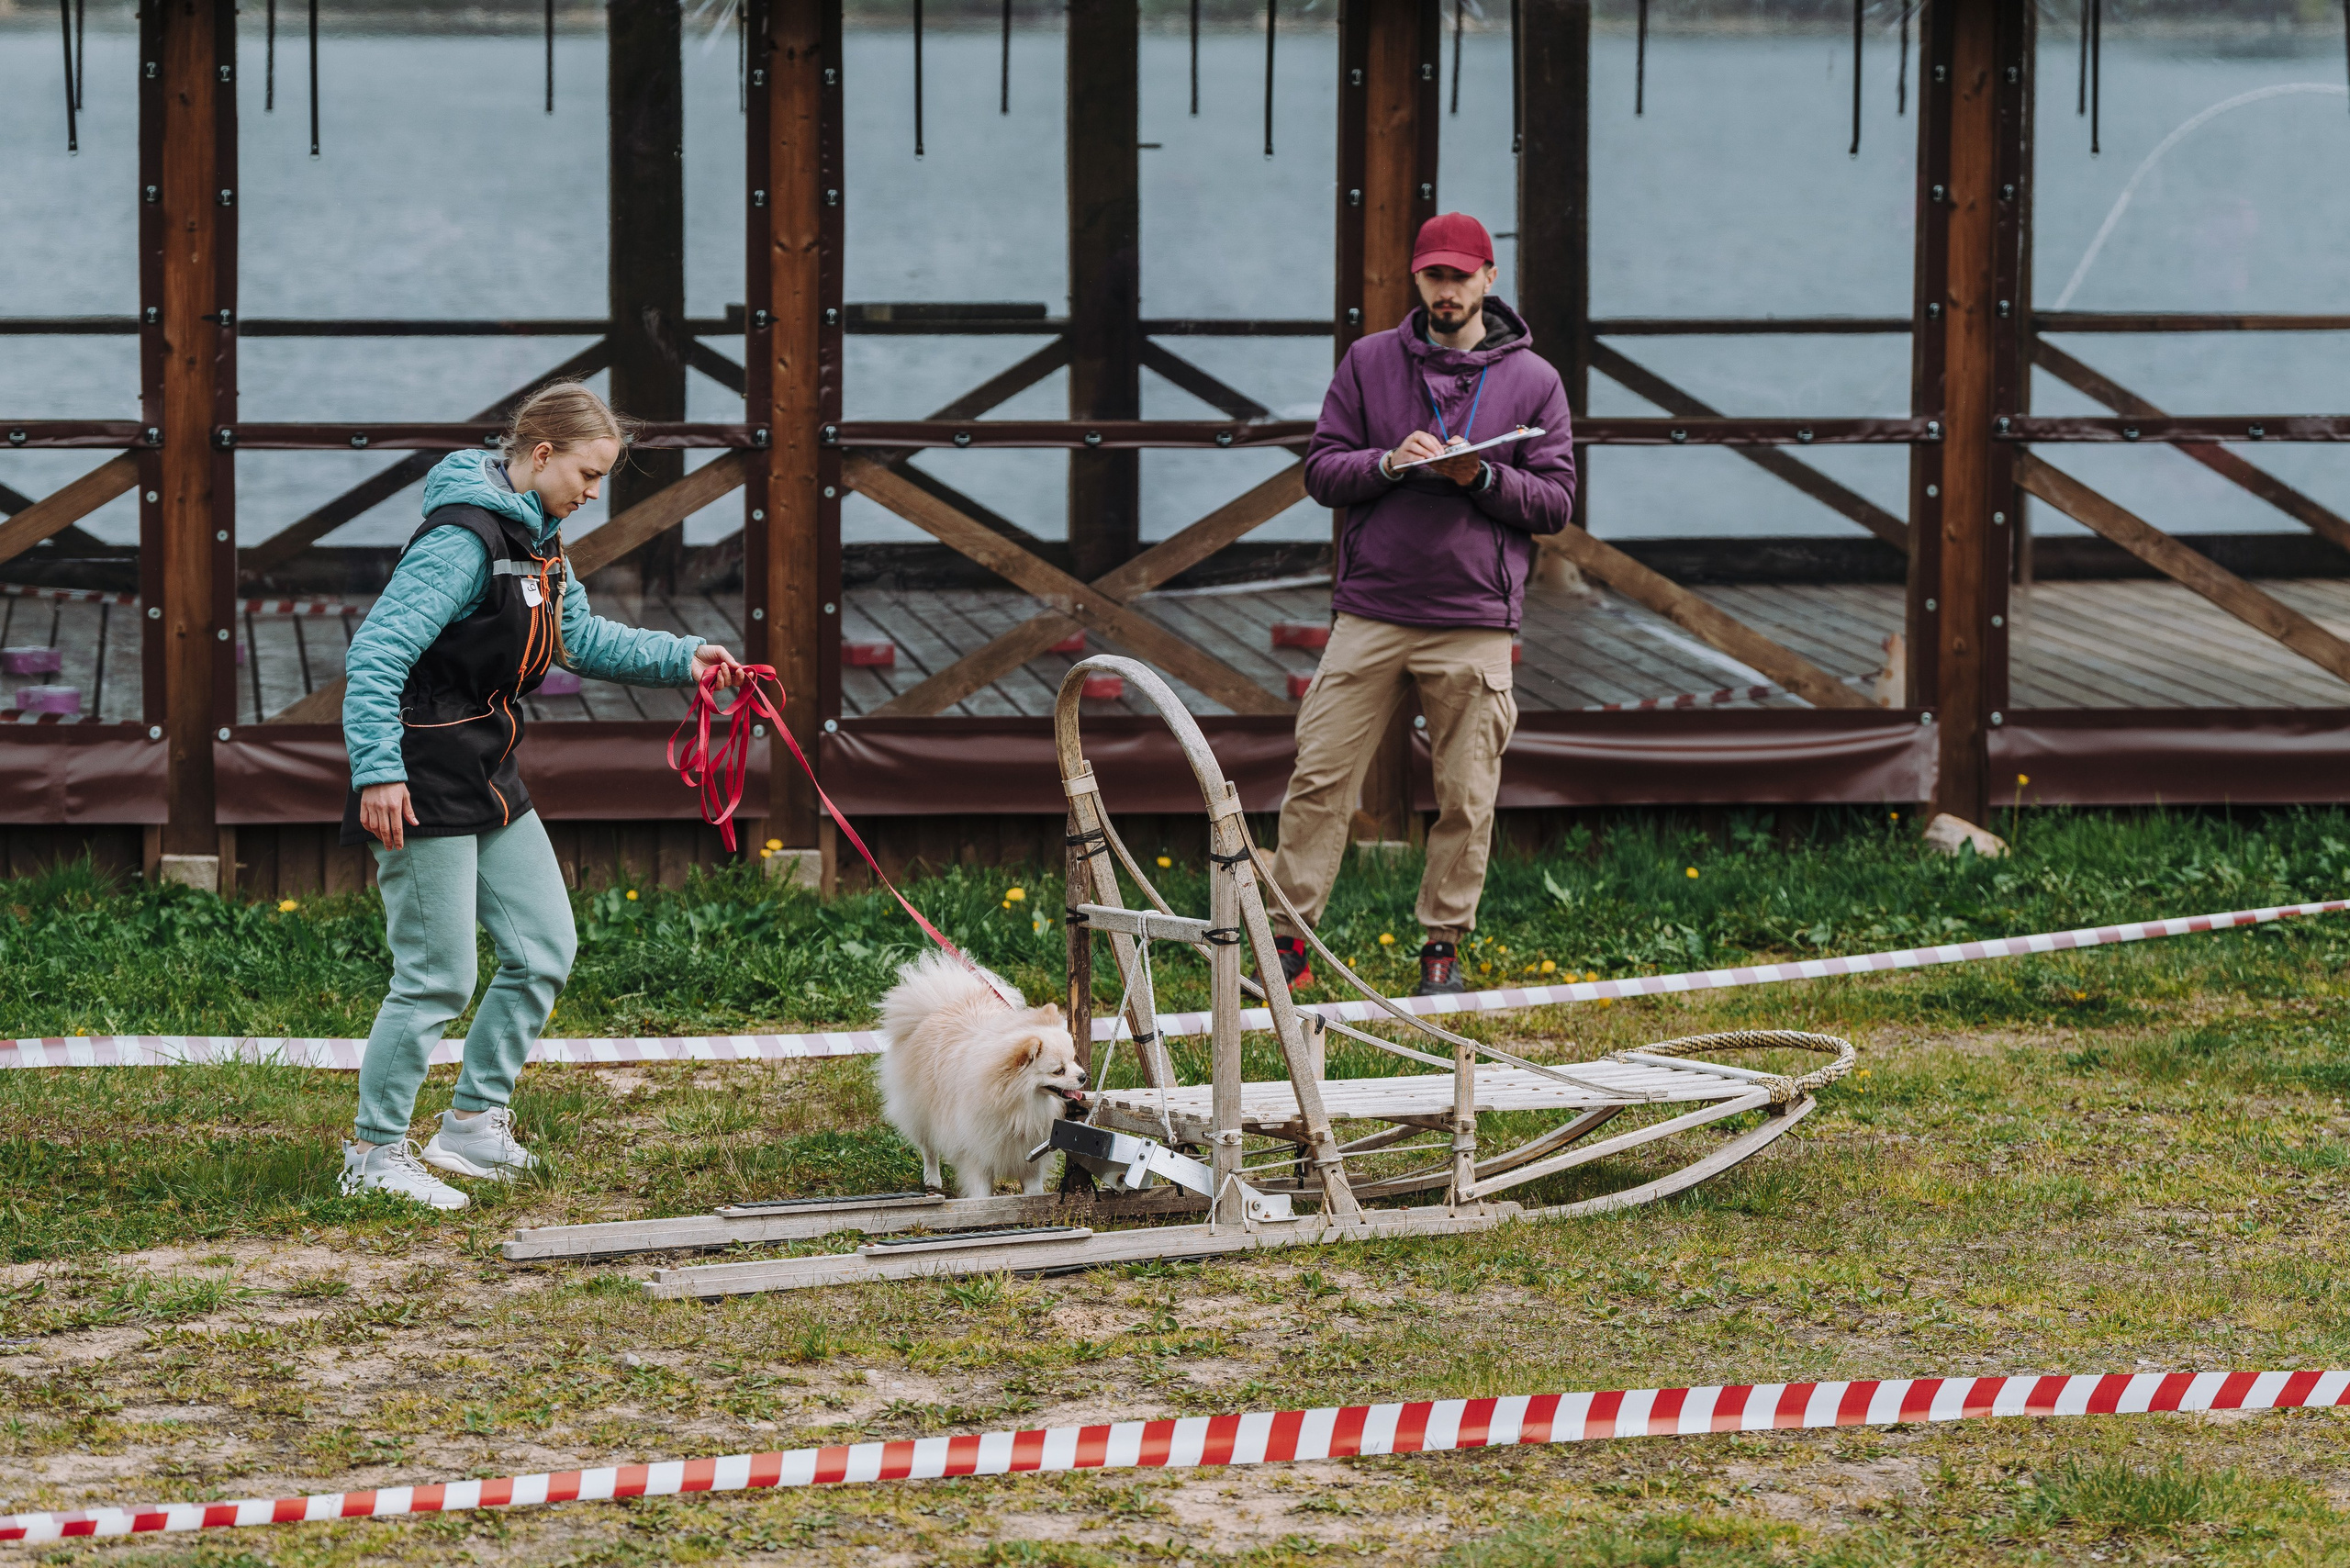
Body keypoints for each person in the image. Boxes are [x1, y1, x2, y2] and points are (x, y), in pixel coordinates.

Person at [336, 383, 746, 1210]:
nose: (594, 493)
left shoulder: (542, 539)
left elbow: (580, 637)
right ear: (543, 454)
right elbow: (375, 656)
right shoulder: (460, 540)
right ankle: (373, 1157)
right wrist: (377, 770)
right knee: (436, 980)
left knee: (543, 950)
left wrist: (686, 658)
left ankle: (472, 1126)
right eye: (589, 474)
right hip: (421, 779)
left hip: (491, 769)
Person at [1266, 212, 1577, 996]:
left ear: (1489, 279)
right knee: (1318, 778)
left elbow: (1557, 502)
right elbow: (1322, 471)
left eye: (1460, 277)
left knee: (1467, 797)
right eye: (1434, 276)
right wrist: (1386, 463)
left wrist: (1485, 478)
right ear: (1418, 279)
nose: (1446, 291)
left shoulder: (1535, 380)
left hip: (1475, 618)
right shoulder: (1369, 362)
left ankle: (1442, 948)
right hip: (1371, 608)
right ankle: (1285, 942)